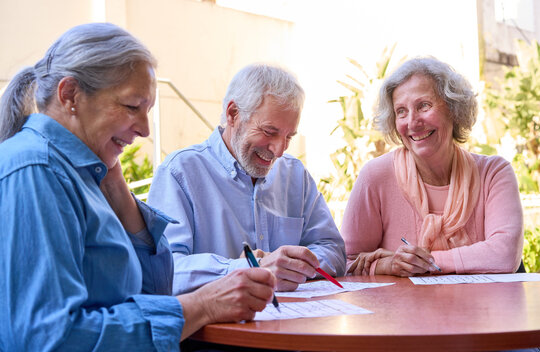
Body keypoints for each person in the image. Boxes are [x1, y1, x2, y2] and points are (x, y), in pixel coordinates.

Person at [0, 23, 276, 351]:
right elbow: (51, 339)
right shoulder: (38, 171)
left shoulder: (83, 173)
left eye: (147, 111)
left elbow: (152, 293)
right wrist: (203, 305)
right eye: (132, 107)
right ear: (70, 94)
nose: (145, 130)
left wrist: (117, 190)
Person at [148, 63, 346, 295]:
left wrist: (292, 265)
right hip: (218, 329)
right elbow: (164, 271)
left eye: (289, 137)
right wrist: (248, 269)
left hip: (295, 323)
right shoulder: (179, 173)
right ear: (233, 114)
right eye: (269, 132)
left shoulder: (294, 174)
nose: (279, 150)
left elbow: (333, 249)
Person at [341, 57, 524, 277]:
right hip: (402, 311)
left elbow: (504, 255)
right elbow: (345, 263)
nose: (412, 122)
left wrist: (423, 262)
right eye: (401, 111)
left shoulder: (494, 173)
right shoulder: (375, 176)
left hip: (481, 311)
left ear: (453, 109)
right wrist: (387, 265)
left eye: (424, 106)